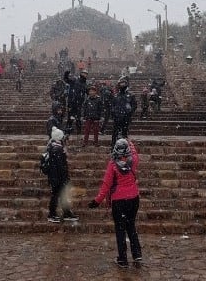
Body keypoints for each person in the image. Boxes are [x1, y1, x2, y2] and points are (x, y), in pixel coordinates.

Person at [88, 138, 142, 268]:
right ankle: (136, 253)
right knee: (131, 226)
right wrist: (130, 142)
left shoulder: (112, 165)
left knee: (120, 229)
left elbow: (106, 185)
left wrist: (97, 201)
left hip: (118, 201)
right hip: (133, 198)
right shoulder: (133, 161)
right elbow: (134, 152)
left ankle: (123, 259)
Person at [46, 126, 79, 223]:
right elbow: (61, 166)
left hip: (55, 176)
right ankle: (53, 214)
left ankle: (65, 213)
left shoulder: (53, 146)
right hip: (57, 177)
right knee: (57, 195)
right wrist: (64, 178)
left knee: (59, 195)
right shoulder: (57, 149)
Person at [111, 77, 137, 148]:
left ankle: (125, 148)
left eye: (124, 83)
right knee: (115, 133)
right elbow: (112, 105)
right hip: (117, 117)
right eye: (121, 83)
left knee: (124, 133)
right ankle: (114, 146)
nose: (122, 85)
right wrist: (114, 113)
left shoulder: (131, 95)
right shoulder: (116, 96)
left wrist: (129, 113)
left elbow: (134, 105)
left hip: (126, 118)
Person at [64, 69, 88, 135]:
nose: (85, 75)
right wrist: (66, 73)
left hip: (79, 104)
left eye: (86, 74)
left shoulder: (85, 84)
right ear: (81, 73)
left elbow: (88, 92)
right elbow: (66, 80)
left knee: (78, 119)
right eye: (84, 73)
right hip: (72, 103)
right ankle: (67, 132)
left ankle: (79, 133)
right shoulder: (75, 80)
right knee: (70, 119)